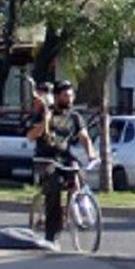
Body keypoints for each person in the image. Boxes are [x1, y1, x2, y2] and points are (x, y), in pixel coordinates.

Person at [26, 80, 94, 245]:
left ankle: (77, 205)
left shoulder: (75, 116)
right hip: (45, 159)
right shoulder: (44, 113)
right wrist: (45, 121)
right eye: (65, 96)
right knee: (54, 185)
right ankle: (51, 236)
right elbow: (30, 136)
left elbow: (84, 137)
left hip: (65, 157)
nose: (69, 99)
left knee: (79, 172)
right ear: (57, 97)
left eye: (71, 96)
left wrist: (91, 154)